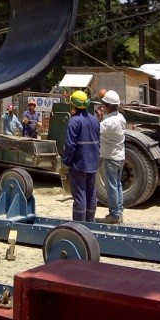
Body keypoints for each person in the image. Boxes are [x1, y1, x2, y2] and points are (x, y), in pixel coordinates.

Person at [61, 90, 101, 222]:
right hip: (93, 163)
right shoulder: (95, 120)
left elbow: (70, 145)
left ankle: (79, 224)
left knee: (80, 195)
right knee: (91, 194)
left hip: (79, 164)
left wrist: (66, 162)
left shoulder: (74, 121)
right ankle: (90, 223)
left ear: (73, 104)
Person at [98, 90, 126, 224]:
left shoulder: (109, 122)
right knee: (118, 185)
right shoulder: (120, 118)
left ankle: (114, 214)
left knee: (111, 187)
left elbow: (96, 130)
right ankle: (119, 212)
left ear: (108, 106)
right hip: (119, 156)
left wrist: (98, 118)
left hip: (110, 157)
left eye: (104, 105)